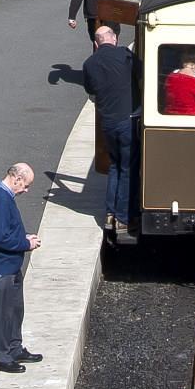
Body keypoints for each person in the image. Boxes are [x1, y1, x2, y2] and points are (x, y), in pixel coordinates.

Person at [0, 162, 42, 372]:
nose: (26, 190)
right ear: (16, 179)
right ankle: (3, 356)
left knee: (15, 310)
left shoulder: (5, 197)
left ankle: (15, 348)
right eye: (25, 185)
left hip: (10, 266)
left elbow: (5, 231)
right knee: (3, 313)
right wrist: (25, 244)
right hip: (0, 268)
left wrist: (22, 237)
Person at [83, 26, 139, 240]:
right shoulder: (126, 55)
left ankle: (109, 213)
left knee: (115, 166)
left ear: (96, 43)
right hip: (127, 120)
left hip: (107, 123)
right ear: (114, 39)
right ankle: (122, 218)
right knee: (127, 169)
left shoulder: (89, 64)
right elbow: (142, 73)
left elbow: (90, 89)